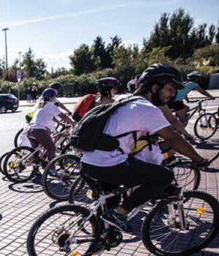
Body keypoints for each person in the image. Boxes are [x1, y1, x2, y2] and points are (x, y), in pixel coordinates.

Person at [79, 63, 210, 231]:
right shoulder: (147, 109)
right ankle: (121, 214)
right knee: (164, 176)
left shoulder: (126, 100)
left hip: (89, 161)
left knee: (109, 204)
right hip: (109, 163)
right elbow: (173, 138)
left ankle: (101, 237)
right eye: (170, 89)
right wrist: (197, 158)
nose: (172, 94)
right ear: (155, 87)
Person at [28, 88, 74, 162]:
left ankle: (35, 169)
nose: (55, 98)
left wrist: (61, 123)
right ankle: (51, 169)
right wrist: (73, 123)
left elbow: (51, 117)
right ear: (50, 97)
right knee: (52, 148)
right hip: (39, 130)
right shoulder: (50, 105)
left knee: (36, 150)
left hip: (30, 129)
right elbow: (63, 116)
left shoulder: (42, 104)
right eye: (55, 96)